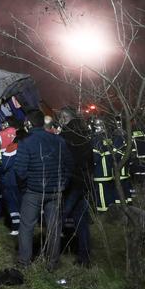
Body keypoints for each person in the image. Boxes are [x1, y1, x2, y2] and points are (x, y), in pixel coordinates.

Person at [15, 109, 73, 270]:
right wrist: (63, 183)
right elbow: (69, 164)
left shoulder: (26, 142)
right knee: (54, 227)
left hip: (33, 191)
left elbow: (19, 170)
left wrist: (25, 187)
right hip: (55, 191)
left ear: (28, 124)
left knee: (27, 227)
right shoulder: (59, 140)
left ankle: (24, 262)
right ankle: (52, 263)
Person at [58, 107, 93, 267]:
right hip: (83, 181)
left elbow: (62, 160)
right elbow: (90, 160)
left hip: (70, 182)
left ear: (65, 118)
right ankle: (84, 257)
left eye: (61, 118)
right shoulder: (84, 134)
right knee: (81, 221)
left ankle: (51, 255)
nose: (60, 120)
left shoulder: (65, 136)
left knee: (59, 217)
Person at [0, 118, 23, 235]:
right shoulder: (29, 147)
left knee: (12, 203)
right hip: (23, 180)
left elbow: (5, 165)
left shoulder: (13, 147)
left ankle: (16, 227)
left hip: (10, 180)